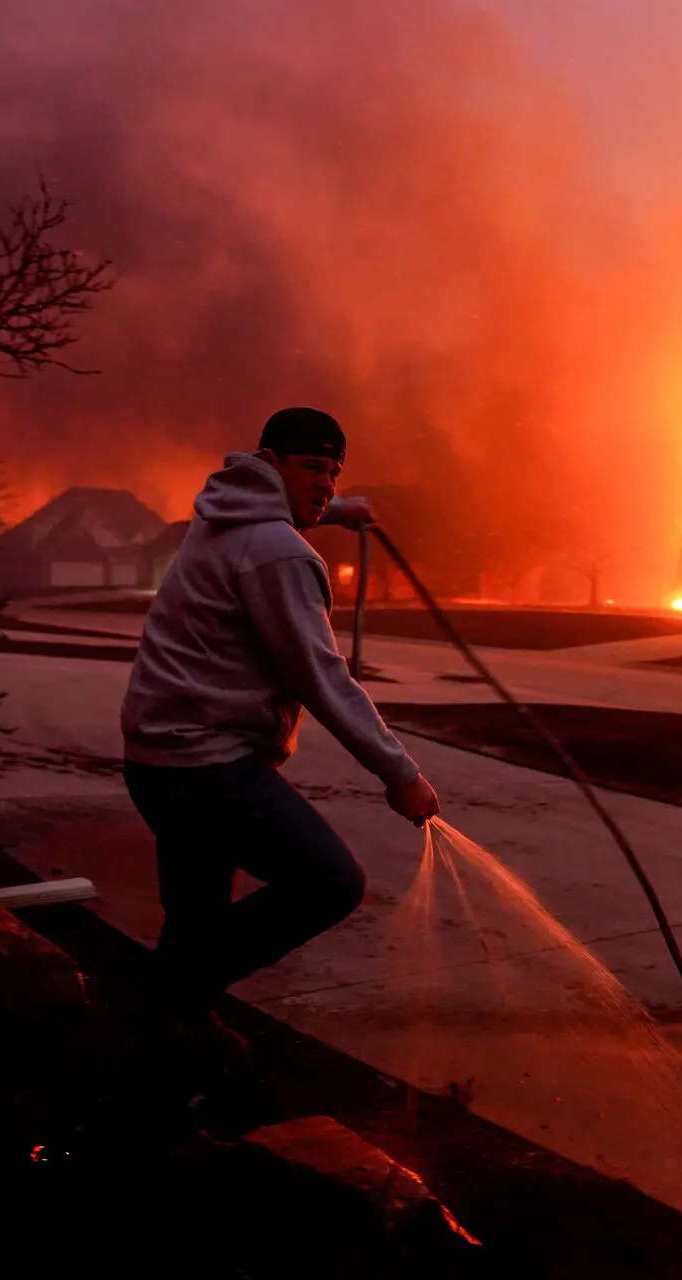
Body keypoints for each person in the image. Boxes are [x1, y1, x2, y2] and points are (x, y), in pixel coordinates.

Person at [121, 406, 440, 1069]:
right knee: (329, 881)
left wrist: (341, 507)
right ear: (271, 464)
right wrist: (399, 771)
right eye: (312, 468)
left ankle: (168, 1044)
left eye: (333, 471)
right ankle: (170, 994)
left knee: (196, 912)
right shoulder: (278, 553)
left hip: (157, 758)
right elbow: (322, 677)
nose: (323, 482)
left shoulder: (221, 517)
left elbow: (284, 511)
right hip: (207, 766)